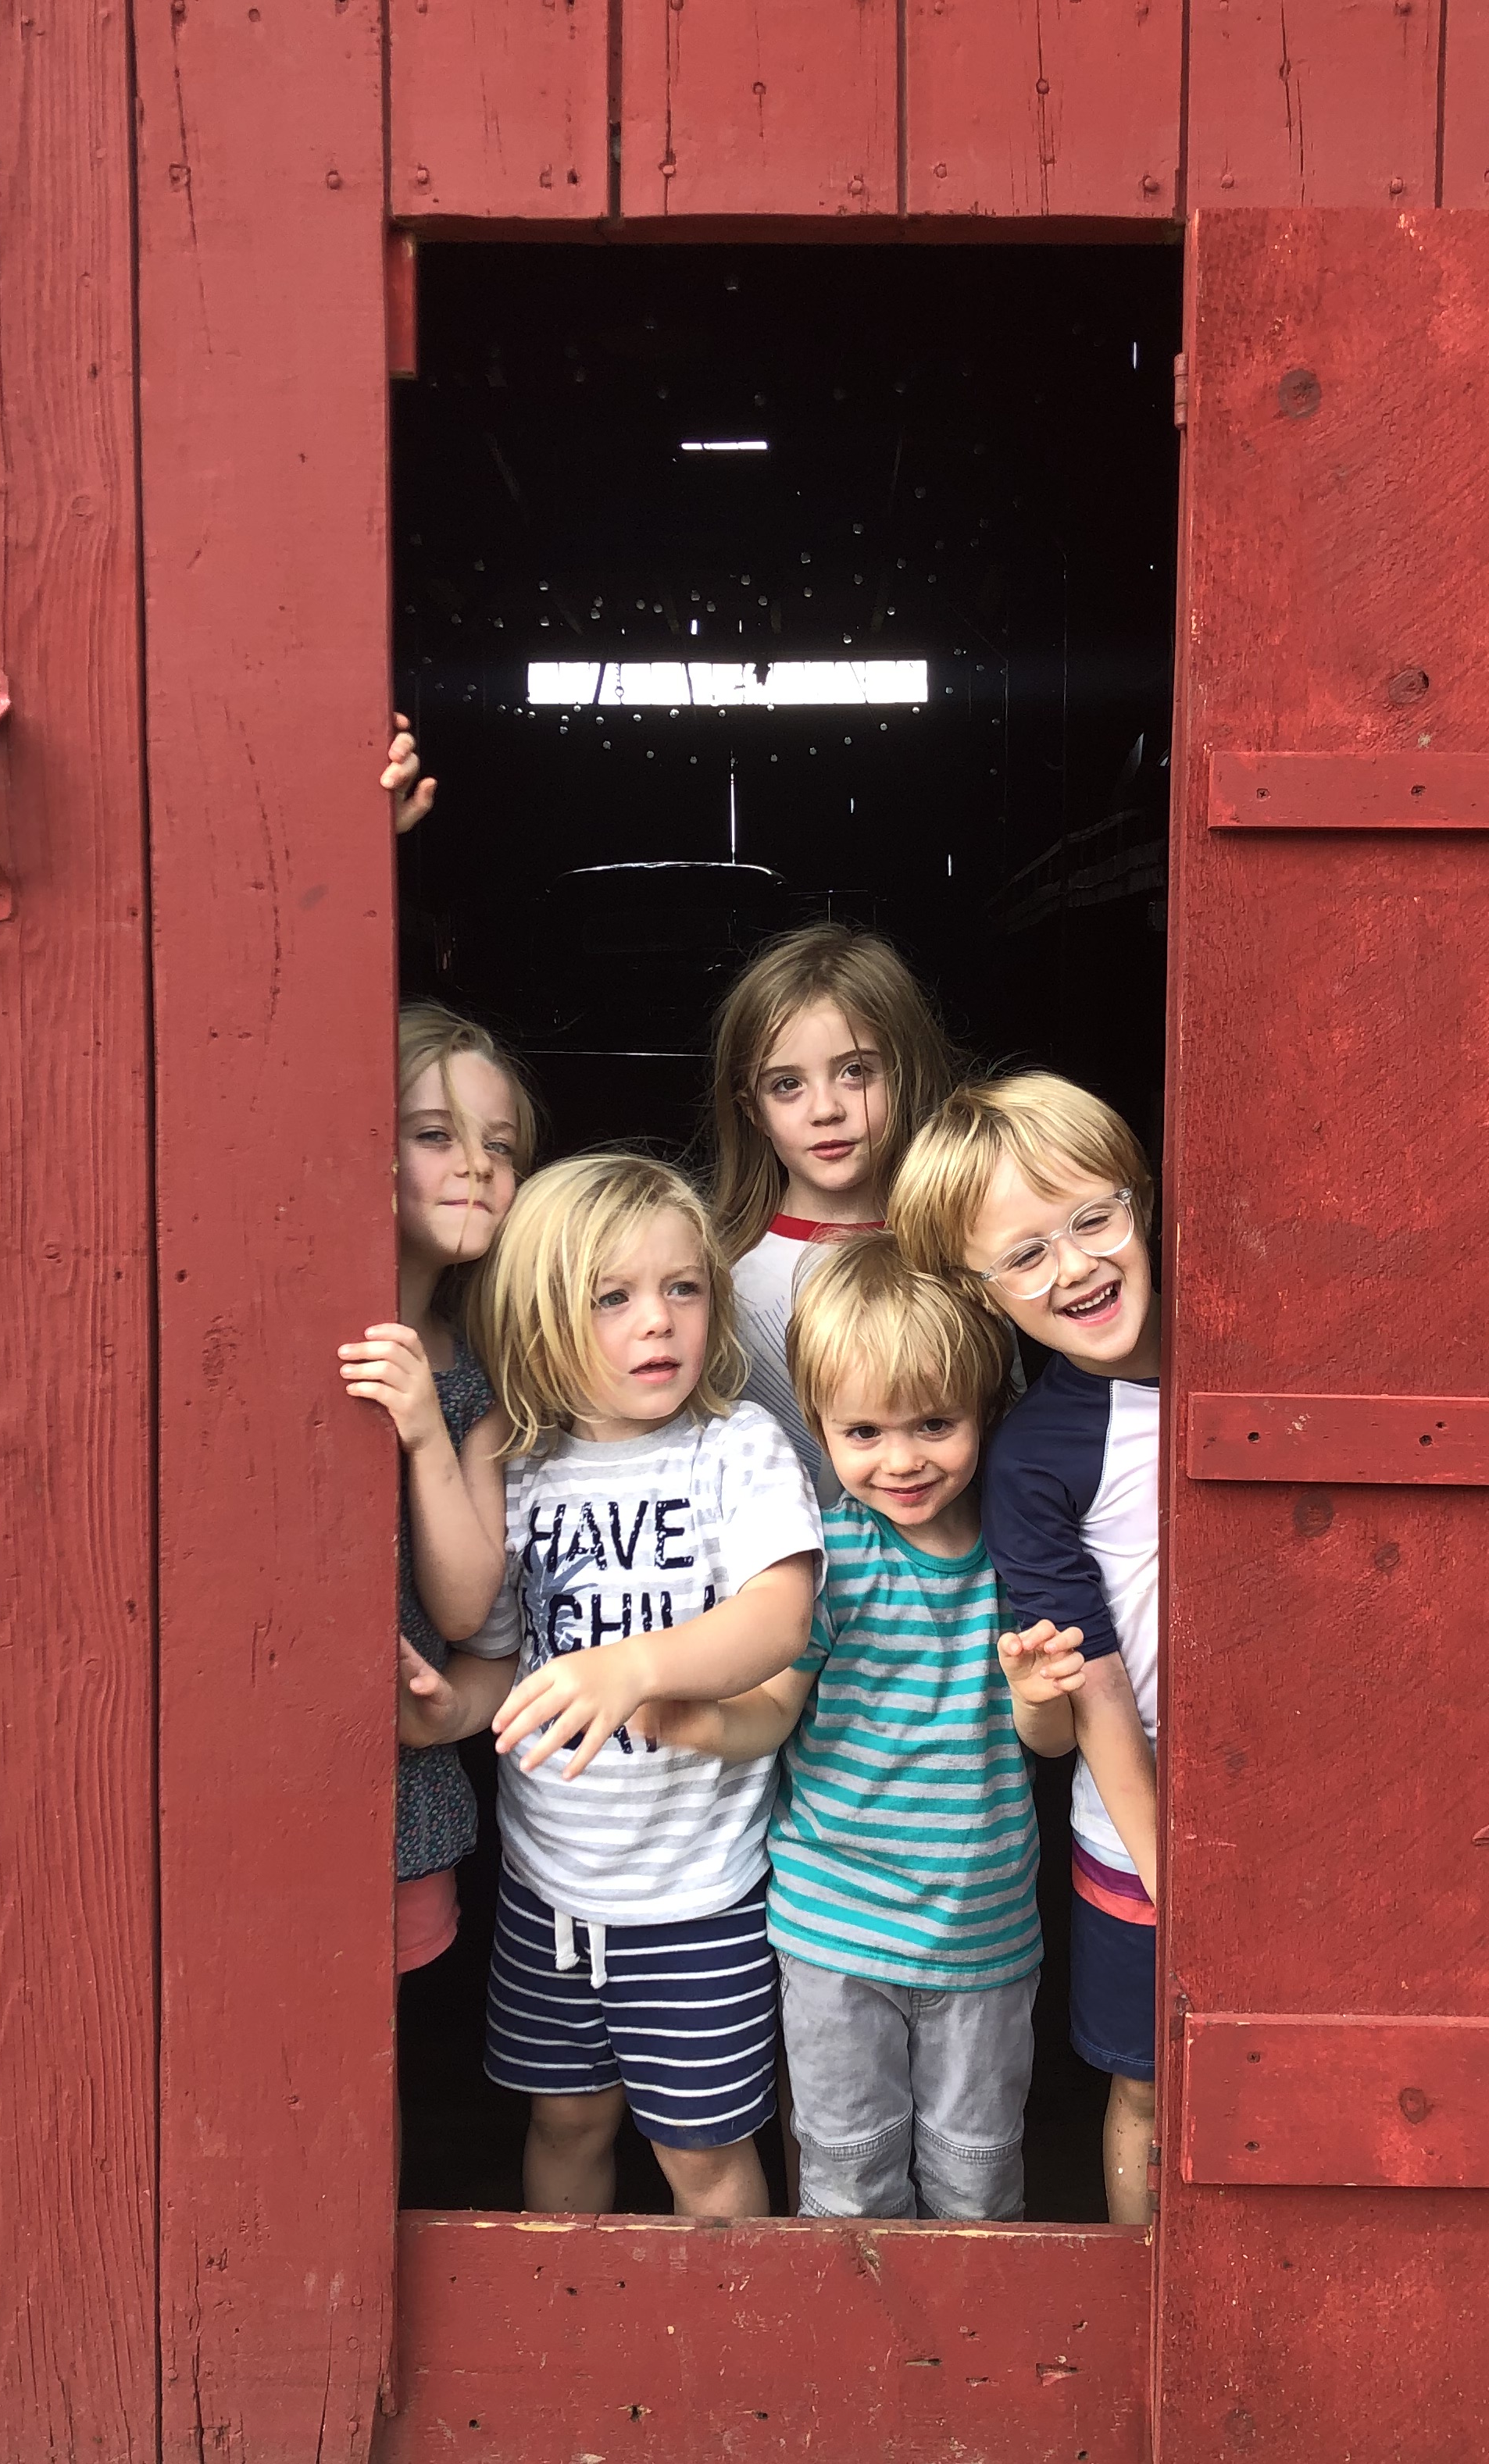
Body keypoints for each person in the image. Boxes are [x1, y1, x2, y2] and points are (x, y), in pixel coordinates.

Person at [640, 1239, 1084, 2220]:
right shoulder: (826, 1562)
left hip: (982, 1937)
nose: (902, 1459)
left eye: (935, 1423)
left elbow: (1049, 1747)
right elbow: (772, 1712)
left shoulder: (1016, 1560)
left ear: (986, 1411)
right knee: (847, 2177)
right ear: (820, 1429)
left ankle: (962, 2329)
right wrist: (696, 1721)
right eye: (864, 1431)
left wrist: (1036, 1691)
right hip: (835, 1929)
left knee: (977, 2179)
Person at [452, 1152, 824, 2220]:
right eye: (610, 1298)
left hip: (696, 1896)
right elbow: (503, 1666)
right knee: (566, 2123)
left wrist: (637, 1665)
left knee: (701, 2156)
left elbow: (779, 1617)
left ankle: (740, 2329)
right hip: (548, 1890)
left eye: (683, 1288)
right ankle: (561, 2310)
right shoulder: (523, 1469)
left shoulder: (734, 1448)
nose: (656, 1320)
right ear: (537, 1322)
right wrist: (441, 1712)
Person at [889, 1076, 1162, 2227]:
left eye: (1095, 1219)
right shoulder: (1038, 1455)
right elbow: (1087, 1678)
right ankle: (1152, 2296)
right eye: (1026, 1255)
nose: (1077, 1267)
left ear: (1142, 1197)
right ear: (978, 1290)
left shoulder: (1251, 1357)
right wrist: (1167, 1865)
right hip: (1136, 1832)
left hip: (1309, 1803)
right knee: (1148, 2087)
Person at [335, 1004, 534, 1976]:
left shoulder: (476, 1379)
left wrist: (424, 1429)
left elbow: (463, 1609)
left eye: (500, 1145)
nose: (477, 1166)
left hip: (403, 1775)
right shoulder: (297, 1333)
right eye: (434, 1135)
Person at [705, 924, 960, 1498]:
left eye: (855, 1072)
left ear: (904, 1075)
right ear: (752, 1110)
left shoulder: (958, 1255)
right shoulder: (716, 1278)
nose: (826, 1109)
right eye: (786, 1084)